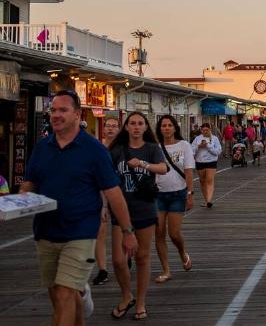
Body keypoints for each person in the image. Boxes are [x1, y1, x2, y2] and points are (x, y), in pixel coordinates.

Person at [21, 90, 138, 325]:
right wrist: (19, 200)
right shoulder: (43, 147)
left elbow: (113, 193)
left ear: (77, 114)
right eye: (53, 110)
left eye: (63, 110)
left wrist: (127, 231)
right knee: (58, 294)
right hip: (45, 231)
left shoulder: (94, 150)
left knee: (65, 292)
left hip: (81, 232)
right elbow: (29, 184)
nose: (56, 115)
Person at [108, 111, 168, 321]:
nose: (135, 127)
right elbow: (104, 177)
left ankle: (140, 302)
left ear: (145, 127)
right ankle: (127, 295)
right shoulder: (116, 151)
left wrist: (143, 164)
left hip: (144, 208)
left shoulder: (152, 148)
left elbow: (163, 168)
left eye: (140, 123)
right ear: (126, 127)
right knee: (118, 259)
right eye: (132, 123)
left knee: (142, 257)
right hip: (120, 209)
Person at [154, 115, 194, 285]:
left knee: (174, 233)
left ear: (175, 127)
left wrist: (190, 193)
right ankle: (166, 270)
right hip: (158, 194)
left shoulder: (184, 145)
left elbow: (188, 171)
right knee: (159, 233)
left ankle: (182, 252)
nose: (167, 128)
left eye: (170, 125)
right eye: (163, 125)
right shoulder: (155, 148)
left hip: (178, 194)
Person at [92, 117, 121, 286]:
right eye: (107, 126)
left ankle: (126, 257)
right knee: (100, 231)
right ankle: (102, 269)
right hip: (100, 193)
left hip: (120, 193)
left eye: (114, 126)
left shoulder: (123, 148)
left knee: (123, 229)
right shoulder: (97, 148)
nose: (110, 129)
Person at [191, 123, 222, 208]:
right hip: (200, 162)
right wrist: (199, 146)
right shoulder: (197, 138)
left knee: (209, 180)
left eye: (206, 130)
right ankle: (206, 200)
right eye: (203, 130)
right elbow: (191, 151)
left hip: (211, 162)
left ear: (210, 130)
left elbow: (218, 152)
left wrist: (208, 146)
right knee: (202, 181)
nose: (205, 132)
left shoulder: (215, 139)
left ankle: (209, 200)